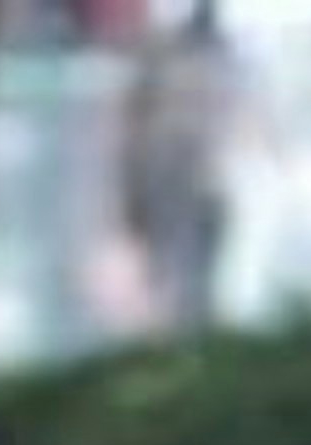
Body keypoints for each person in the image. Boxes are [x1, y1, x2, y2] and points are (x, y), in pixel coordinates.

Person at [115, 0, 247, 334]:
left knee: (198, 278)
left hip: (202, 182)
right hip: (167, 178)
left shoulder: (220, 55)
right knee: (167, 274)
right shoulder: (164, 55)